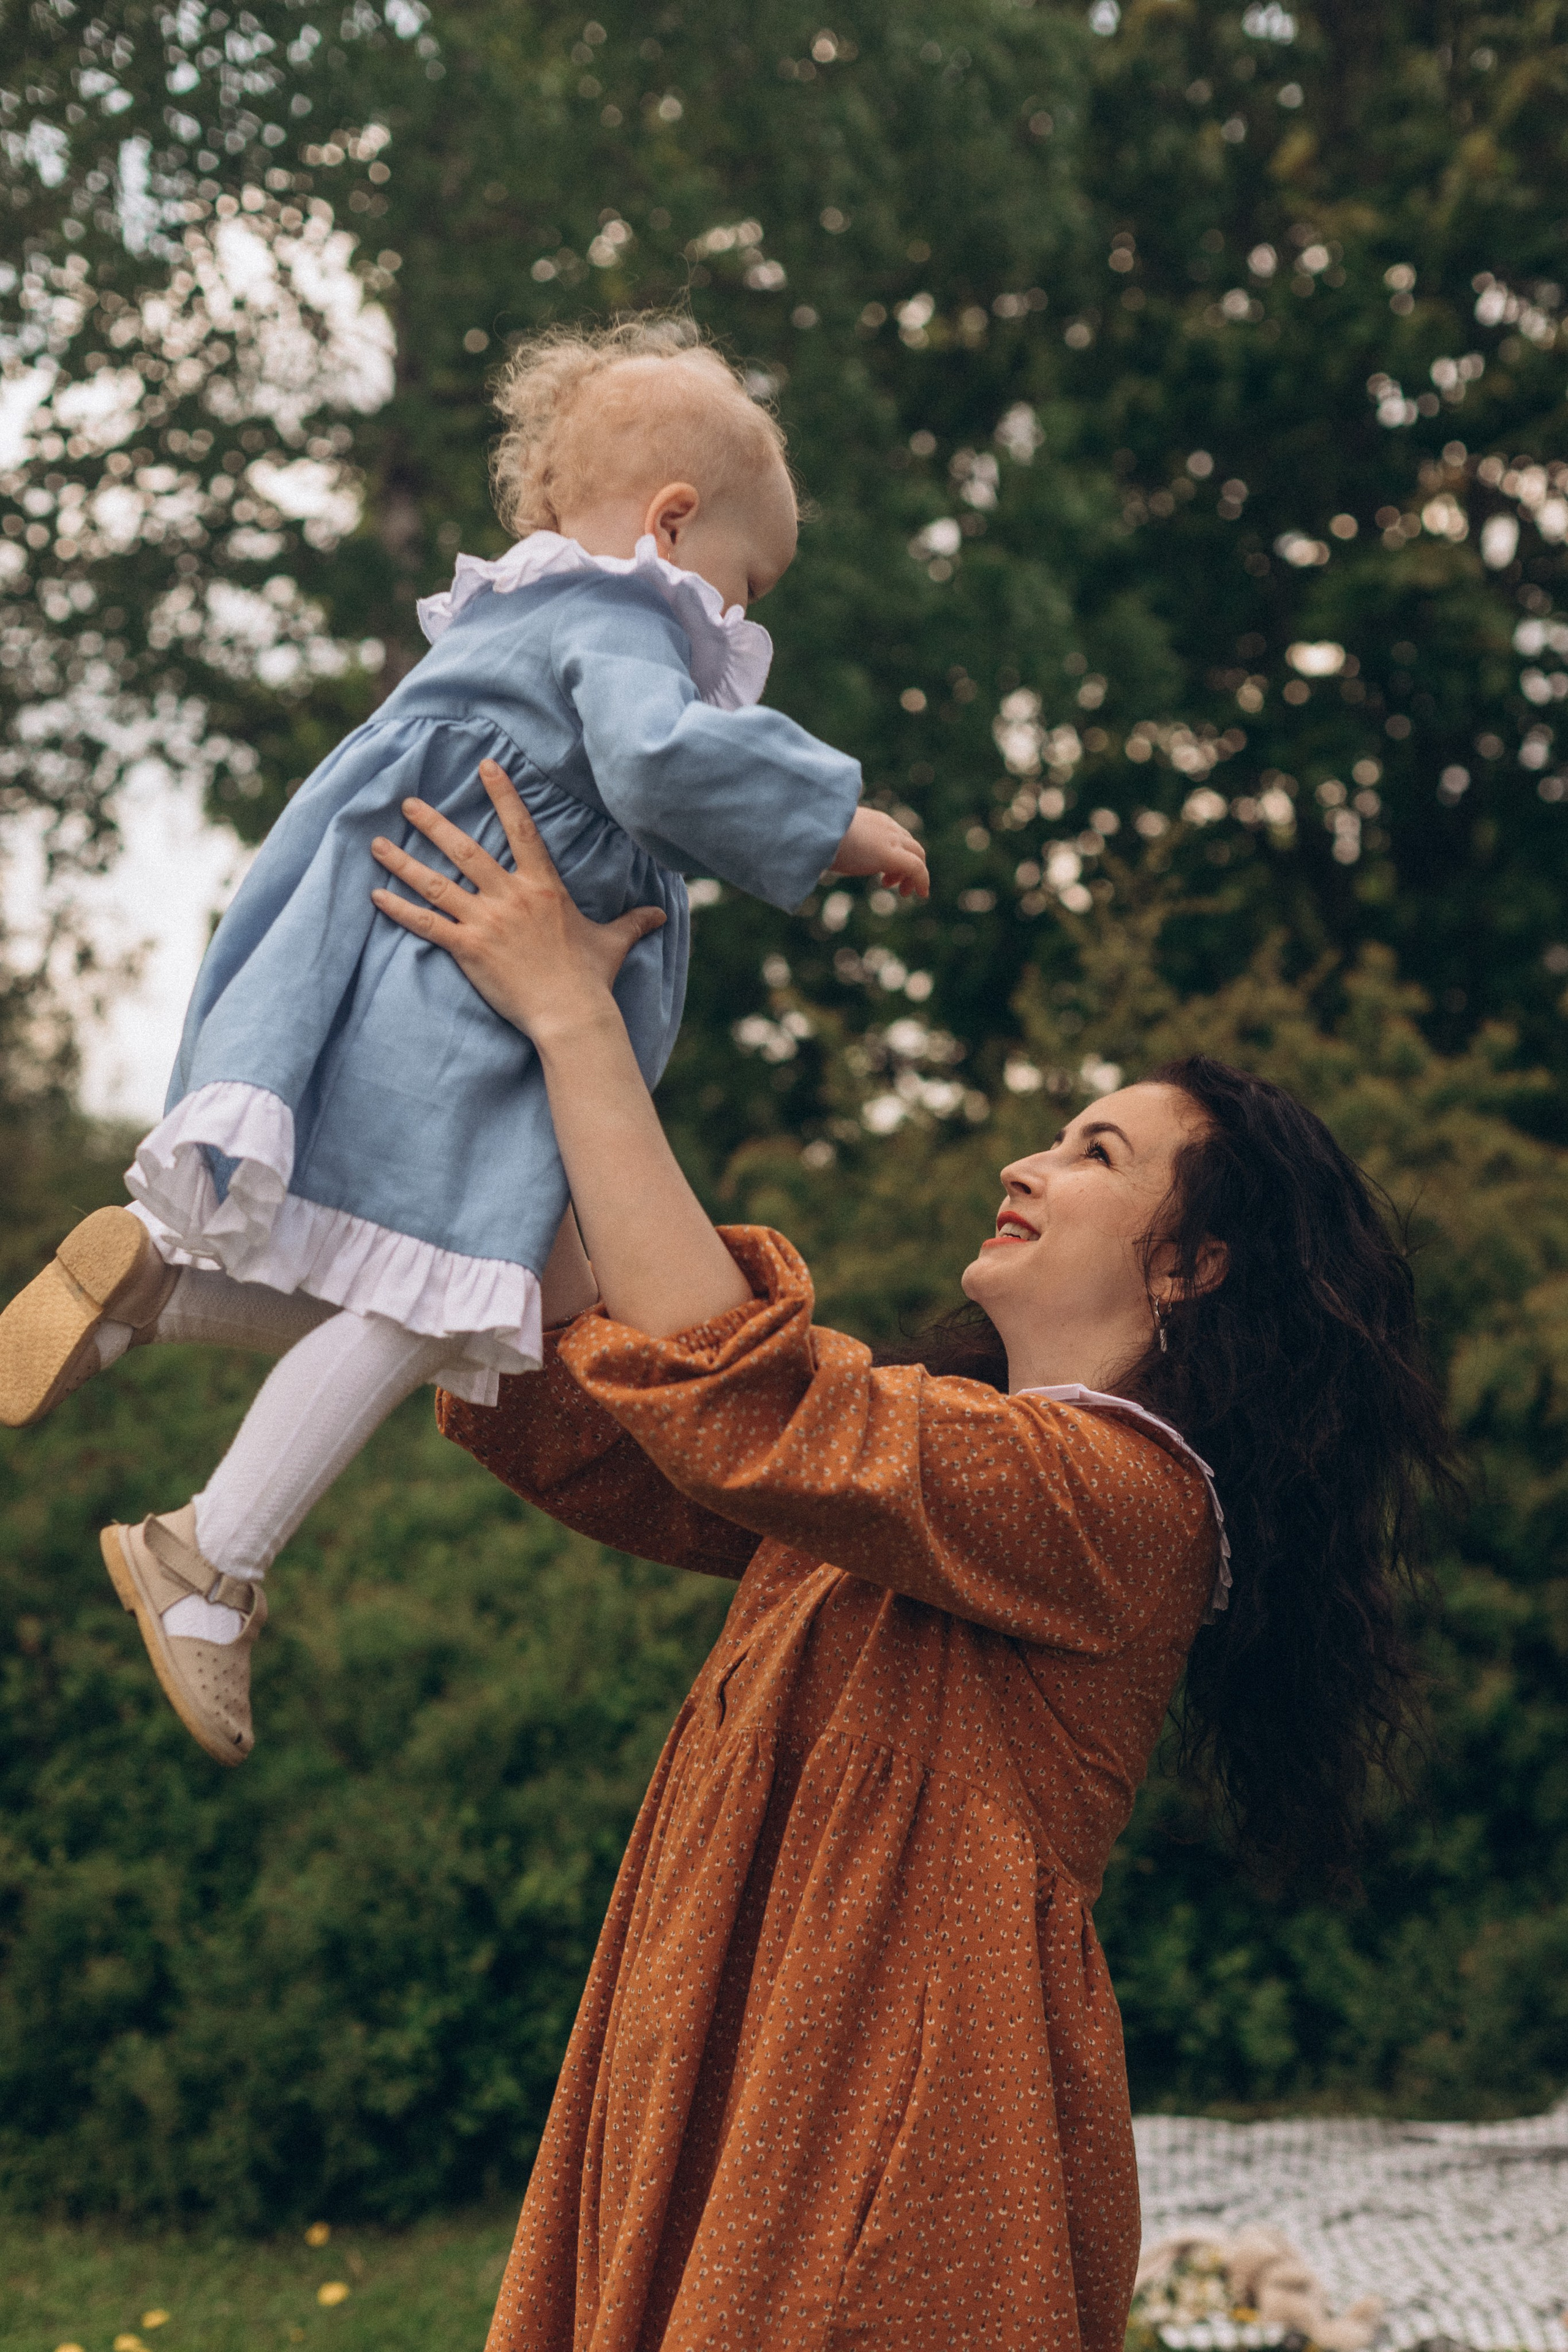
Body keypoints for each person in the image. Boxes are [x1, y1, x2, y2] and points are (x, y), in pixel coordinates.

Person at [366, 763, 1457, 2352]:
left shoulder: (1127, 1504)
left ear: (1195, 1262)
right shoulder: (920, 1483)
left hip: (896, 2112)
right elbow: (618, 1402)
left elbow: (741, 1390)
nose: (1025, 1165)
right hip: (742, 2061)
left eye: (1091, 1152)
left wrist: (575, 1027)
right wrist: (511, 1037)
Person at [0, 315, 925, 1768]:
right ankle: (210, 1555)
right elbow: (657, 759)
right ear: (673, 524)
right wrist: (833, 820)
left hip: (424, 973)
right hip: (475, 1005)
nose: (743, 633)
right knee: (449, 1293)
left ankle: (154, 1292)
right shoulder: (624, 624)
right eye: (747, 594)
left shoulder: (517, 620)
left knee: (452, 1305)